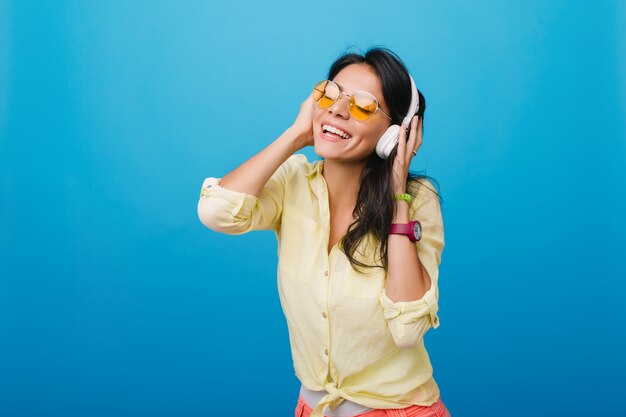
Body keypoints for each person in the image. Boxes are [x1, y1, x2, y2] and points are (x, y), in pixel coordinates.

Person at [197, 47, 451, 417]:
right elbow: (216, 212)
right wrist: (296, 133)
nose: (337, 109)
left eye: (363, 105)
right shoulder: (292, 181)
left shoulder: (416, 200)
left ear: (395, 133)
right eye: (329, 94)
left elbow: (407, 330)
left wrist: (399, 197)